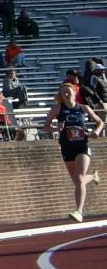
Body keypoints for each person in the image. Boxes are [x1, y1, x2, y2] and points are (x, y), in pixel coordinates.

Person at [43, 82, 103, 222]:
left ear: (75, 92)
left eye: (68, 90)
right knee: (77, 181)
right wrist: (56, 129)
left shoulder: (84, 108)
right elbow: (45, 127)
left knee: (80, 178)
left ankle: (79, 211)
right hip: (66, 146)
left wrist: (96, 131)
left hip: (82, 145)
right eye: (62, 91)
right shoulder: (57, 109)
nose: (65, 93)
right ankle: (93, 177)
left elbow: (100, 122)